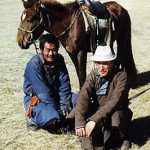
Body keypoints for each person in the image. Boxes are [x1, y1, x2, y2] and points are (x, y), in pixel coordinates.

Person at [75, 45, 133, 150]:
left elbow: (115, 101)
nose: (101, 68)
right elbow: (83, 97)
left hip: (116, 111)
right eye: (98, 63)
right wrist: (79, 123)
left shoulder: (121, 76)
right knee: (89, 144)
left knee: (115, 121)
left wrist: (94, 120)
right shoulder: (93, 75)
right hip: (99, 113)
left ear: (112, 62)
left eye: (105, 63)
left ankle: (124, 136)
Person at [23, 33, 76, 133]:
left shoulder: (59, 59)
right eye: (48, 50)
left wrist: (65, 106)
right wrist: (58, 111)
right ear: (42, 49)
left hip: (55, 96)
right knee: (51, 116)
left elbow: (64, 84)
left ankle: (61, 118)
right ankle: (32, 119)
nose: (51, 53)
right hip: (39, 99)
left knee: (79, 100)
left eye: (54, 50)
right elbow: (43, 92)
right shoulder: (34, 64)